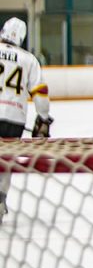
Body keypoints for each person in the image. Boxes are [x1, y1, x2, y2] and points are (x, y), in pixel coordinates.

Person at [0, 17, 52, 225]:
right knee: (5, 160)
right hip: (14, 119)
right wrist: (43, 118)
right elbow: (40, 93)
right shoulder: (29, 59)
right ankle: (0, 200)